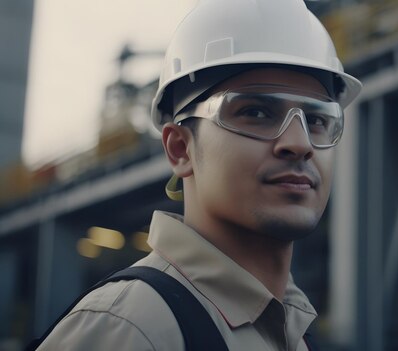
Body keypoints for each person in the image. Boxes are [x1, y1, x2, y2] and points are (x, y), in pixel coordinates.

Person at [36, 0, 361, 350]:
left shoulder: (292, 331)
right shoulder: (129, 328)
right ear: (180, 149)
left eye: (317, 121)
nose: (300, 144)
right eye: (256, 112)